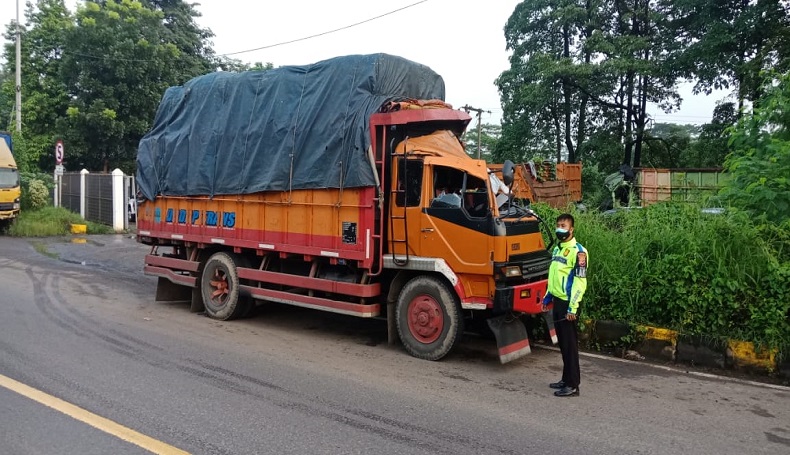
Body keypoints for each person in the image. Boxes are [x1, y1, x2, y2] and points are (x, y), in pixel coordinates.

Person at [542, 213, 588, 397]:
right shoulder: (557, 249)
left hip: (570, 303)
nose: (560, 228)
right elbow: (553, 276)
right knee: (562, 343)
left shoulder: (579, 252)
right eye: (558, 225)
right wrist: (547, 297)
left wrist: (573, 308)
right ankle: (565, 378)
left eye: (564, 225)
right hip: (558, 300)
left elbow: (580, 282)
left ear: (571, 229)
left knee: (569, 345)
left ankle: (573, 385)